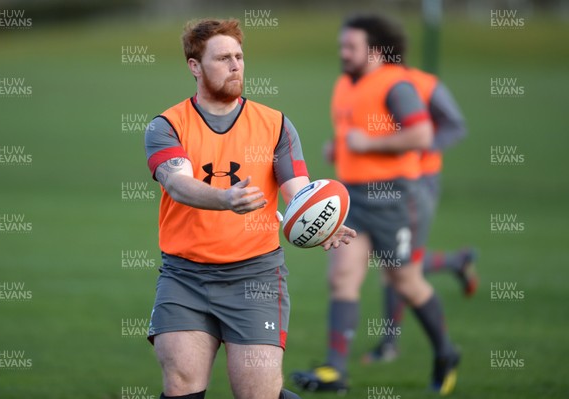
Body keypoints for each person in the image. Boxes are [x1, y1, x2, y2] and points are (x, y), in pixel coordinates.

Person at [144, 18, 356, 399]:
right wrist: (226, 198)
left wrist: (323, 219)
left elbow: (298, 190)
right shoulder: (167, 125)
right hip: (184, 277)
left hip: (255, 278)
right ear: (195, 66)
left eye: (239, 57)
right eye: (223, 58)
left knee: (257, 393)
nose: (235, 65)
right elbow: (178, 183)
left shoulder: (275, 125)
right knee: (181, 386)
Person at [291, 15, 460, 395]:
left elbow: (420, 133)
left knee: (406, 282)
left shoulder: (396, 85)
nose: (343, 53)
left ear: (375, 50)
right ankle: (335, 370)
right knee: (342, 277)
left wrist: (368, 143)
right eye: (341, 46)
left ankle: (446, 351)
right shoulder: (345, 85)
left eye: (351, 46)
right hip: (352, 197)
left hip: (395, 200)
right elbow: (354, 134)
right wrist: (341, 148)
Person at [363, 67, 478, 364]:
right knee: (396, 263)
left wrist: (420, 146)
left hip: (420, 182)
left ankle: (389, 345)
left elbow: (455, 125)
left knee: (396, 264)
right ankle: (456, 261)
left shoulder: (425, 85)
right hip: (384, 182)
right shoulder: (366, 86)